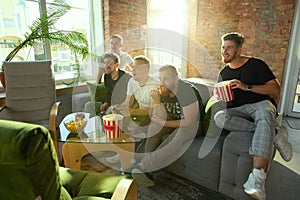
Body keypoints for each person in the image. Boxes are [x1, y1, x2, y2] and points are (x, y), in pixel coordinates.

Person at [213, 32, 293, 200]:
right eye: (223, 47)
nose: (224, 51)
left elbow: (275, 89)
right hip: (239, 110)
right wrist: (219, 97)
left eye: (229, 48)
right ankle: (275, 133)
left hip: (261, 105)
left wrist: (246, 87)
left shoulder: (256, 65)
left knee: (264, 113)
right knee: (219, 117)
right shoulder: (223, 73)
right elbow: (226, 102)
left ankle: (257, 179)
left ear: (239, 49)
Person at [130, 65, 200, 186]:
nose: (162, 82)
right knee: (154, 127)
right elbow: (157, 117)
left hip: (195, 125)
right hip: (174, 120)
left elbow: (189, 122)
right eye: (160, 78)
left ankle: (145, 165)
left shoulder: (187, 91)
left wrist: (165, 123)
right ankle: (147, 172)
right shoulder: (162, 90)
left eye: (166, 79)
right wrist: (156, 101)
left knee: (181, 132)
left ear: (176, 78)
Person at [106, 55, 159, 163]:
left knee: (129, 121)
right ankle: (121, 152)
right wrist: (118, 108)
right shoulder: (132, 82)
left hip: (152, 115)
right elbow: (127, 102)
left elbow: (153, 110)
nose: (132, 70)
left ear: (146, 70)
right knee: (116, 118)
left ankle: (131, 156)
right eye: (133, 67)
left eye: (137, 68)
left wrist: (131, 111)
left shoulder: (155, 84)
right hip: (138, 113)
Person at [84, 52, 131, 117]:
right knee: (89, 105)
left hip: (119, 106)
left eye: (109, 63)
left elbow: (127, 97)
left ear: (116, 65)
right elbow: (109, 92)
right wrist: (106, 102)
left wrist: (112, 105)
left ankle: (103, 120)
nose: (106, 66)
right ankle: (96, 123)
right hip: (110, 104)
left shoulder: (126, 78)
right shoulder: (107, 76)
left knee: (109, 110)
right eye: (105, 63)